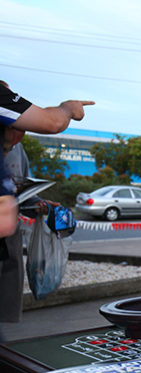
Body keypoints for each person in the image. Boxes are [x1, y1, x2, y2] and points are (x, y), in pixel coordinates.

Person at [0, 81, 93, 324]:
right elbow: (52, 122)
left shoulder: (17, 152)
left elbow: (22, 192)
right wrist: (67, 108)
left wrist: (37, 204)